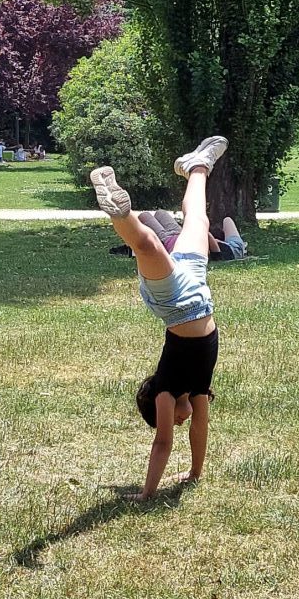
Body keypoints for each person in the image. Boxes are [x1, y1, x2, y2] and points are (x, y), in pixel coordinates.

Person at [90, 132, 227, 500]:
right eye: (181, 420)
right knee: (197, 218)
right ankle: (197, 165)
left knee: (148, 243)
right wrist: (195, 474)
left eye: (172, 420)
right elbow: (201, 428)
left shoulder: (167, 392)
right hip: (197, 288)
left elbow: (163, 443)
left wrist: (147, 493)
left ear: (157, 407)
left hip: (175, 303)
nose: (181, 422)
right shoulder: (198, 392)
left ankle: (120, 211)